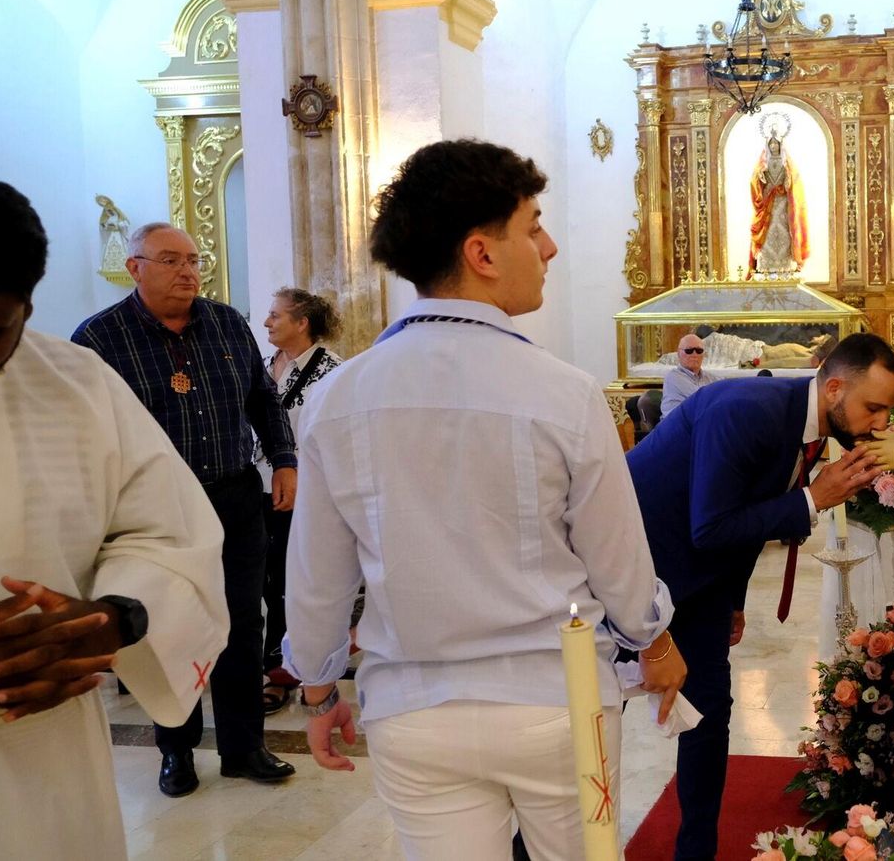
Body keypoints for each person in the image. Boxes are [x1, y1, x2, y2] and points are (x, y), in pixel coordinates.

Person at [283, 139, 686, 861]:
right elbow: (616, 555)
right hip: (557, 700)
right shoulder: (561, 391)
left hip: (413, 709)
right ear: (483, 253)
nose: (550, 245)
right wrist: (652, 639)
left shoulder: (339, 397)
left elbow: (317, 574)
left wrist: (316, 687)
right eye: (532, 225)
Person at [0, 181, 228, 859]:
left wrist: (116, 616)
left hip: (43, 755)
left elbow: (169, 530)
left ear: (26, 307)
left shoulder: (75, 381)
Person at [627, 332, 894, 861]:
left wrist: (732, 599)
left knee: (708, 715)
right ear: (834, 388)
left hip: (702, 582)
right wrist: (813, 499)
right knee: (595, 709)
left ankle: (696, 852)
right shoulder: (746, 411)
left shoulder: (814, 429)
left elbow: (746, 511)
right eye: (874, 408)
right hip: (632, 574)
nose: (881, 425)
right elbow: (711, 525)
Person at [73, 222, 298, 796]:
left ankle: (245, 747)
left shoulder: (226, 324)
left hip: (233, 496)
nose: (187, 271)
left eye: (193, 260)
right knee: (167, 626)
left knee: (242, 623)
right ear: (135, 267)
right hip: (155, 513)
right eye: (171, 260)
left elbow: (261, 399)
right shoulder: (100, 340)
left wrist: (285, 459)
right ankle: (176, 753)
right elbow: (82, 434)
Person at [258, 287, 343, 713]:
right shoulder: (260, 366)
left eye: (275, 315)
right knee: (260, 582)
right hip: (254, 486)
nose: (267, 323)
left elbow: (331, 439)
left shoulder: (332, 372)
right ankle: (259, 664)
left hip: (304, 492)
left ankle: (288, 671)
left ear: (302, 322)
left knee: (291, 585)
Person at [747, 131, 810, 275]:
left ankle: (785, 266)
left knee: (784, 232)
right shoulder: (763, 162)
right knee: (767, 232)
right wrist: (760, 177)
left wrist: (789, 181)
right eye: (771, 143)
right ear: (767, 145)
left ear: (781, 145)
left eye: (776, 143)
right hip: (768, 202)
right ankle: (767, 266)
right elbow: (754, 180)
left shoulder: (786, 162)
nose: (774, 146)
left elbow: (795, 180)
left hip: (783, 204)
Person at [660, 332, 717, 418]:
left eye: (699, 351)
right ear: (679, 354)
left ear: (703, 355)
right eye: (689, 351)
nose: (694, 354)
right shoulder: (673, 377)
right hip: (677, 428)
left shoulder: (711, 378)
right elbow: (702, 399)